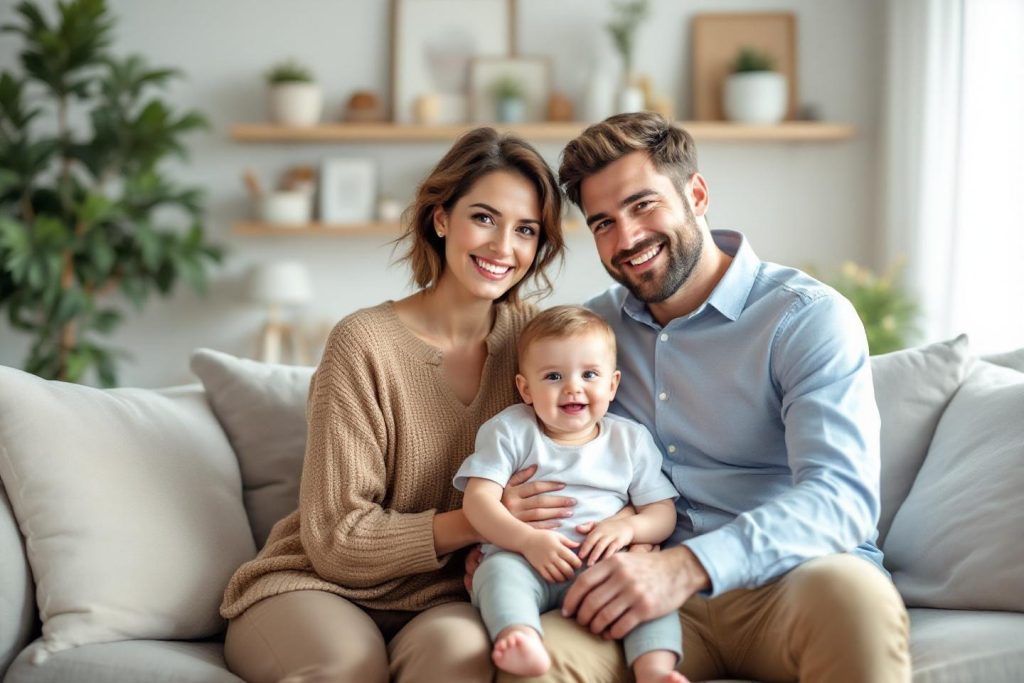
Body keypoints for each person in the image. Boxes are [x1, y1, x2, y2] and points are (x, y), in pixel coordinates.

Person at [489, 112, 912, 682]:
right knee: (536, 664)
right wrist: (503, 540)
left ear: (697, 193)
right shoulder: (594, 336)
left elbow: (841, 497)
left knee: (854, 597)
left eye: (642, 205)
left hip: (794, 580)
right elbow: (556, 454)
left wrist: (689, 566)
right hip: (647, 600)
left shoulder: (804, 317)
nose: (627, 238)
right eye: (603, 223)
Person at [218, 127, 569, 683]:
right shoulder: (362, 342)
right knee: (348, 667)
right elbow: (336, 540)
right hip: (319, 584)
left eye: (526, 230)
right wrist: (486, 521)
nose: (505, 248)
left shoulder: (539, 346)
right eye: (484, 218)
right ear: (440, 218)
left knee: (465, 658)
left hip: (445, 597)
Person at [455, 305, 685, 683]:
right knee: (496, 574)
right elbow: (477, 500)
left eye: (589, 374)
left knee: (645, 583)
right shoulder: (510, 430)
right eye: (553, 376)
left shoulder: (629, 439)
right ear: (525, 389)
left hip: (603, 564)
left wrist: (629, 531)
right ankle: (519, 636)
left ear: (612, 385)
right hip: (524, 559)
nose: (573, 387)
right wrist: (528, 541)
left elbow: (662, 512)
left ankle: (656, 668)